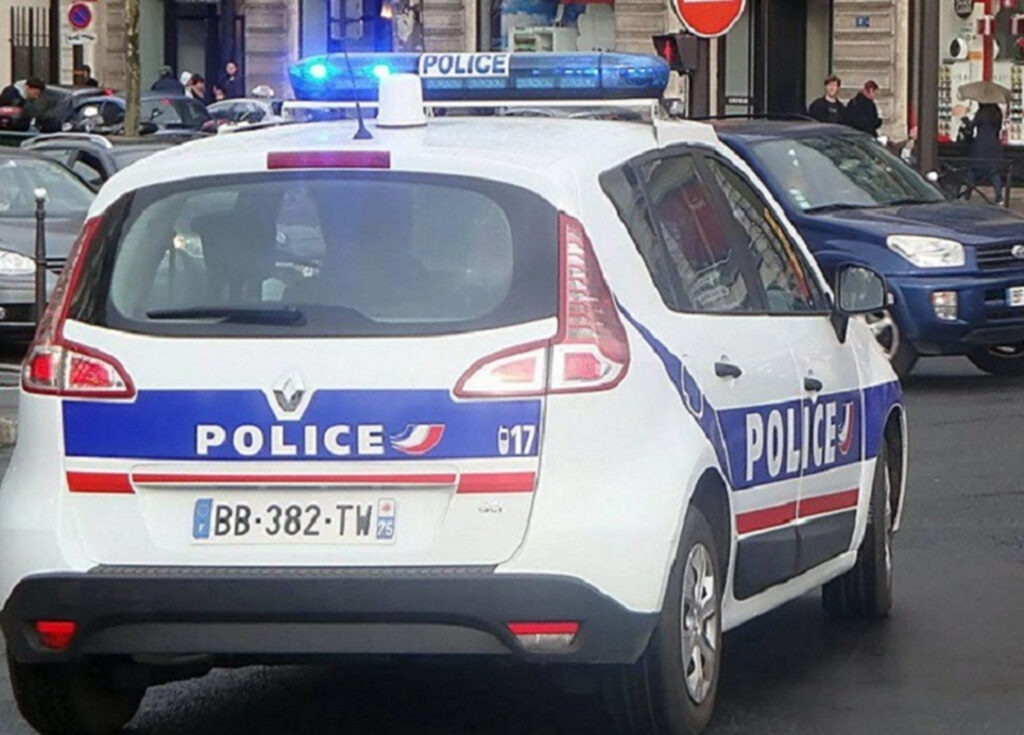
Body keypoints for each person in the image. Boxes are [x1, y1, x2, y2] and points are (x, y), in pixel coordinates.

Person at [966, 103, 1006, 204]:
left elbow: (971, 126)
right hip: (994, 145)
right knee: (994, 172)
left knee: (973, 170)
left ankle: (967, 194)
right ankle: (999, 196)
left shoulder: (982, 113)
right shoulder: (997, 113)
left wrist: (967, 121)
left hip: (981, 144)